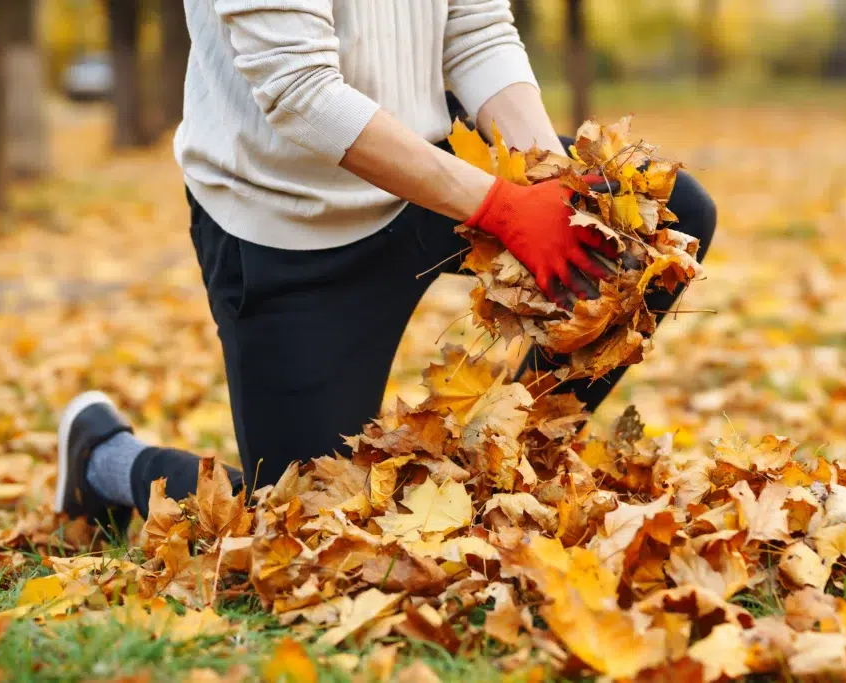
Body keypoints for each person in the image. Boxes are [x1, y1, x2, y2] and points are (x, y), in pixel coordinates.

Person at [54, 0, 717, 528]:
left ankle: (507, 465)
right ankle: (105, 459)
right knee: (306, 524)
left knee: (655, 224)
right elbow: (301, 90)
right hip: (291, 222)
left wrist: (553, 185)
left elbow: (477, 26)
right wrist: (505, 211)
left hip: (429, 164)